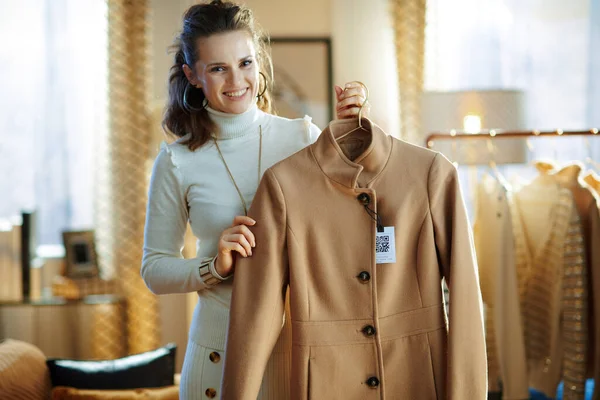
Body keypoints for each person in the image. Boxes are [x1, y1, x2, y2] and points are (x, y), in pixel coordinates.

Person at [140, 1, 368, 399]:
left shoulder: (302, 137)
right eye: (217, 68)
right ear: (193, 75)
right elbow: (154, 270)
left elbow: (355, 219)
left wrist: (354, 128)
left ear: (259, 62)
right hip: (215, 357)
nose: (236, 80)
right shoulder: (176, 161)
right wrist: (214, 267)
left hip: (298, 352)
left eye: (245, 63)